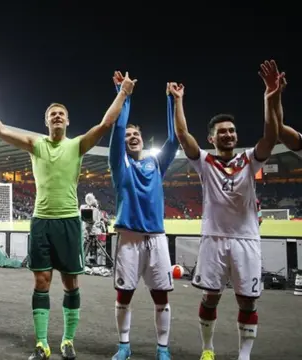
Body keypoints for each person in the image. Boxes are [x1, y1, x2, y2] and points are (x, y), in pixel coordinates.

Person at [0, 75, 129, 360]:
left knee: (71, 284)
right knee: (42, 283)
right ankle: (42, 343)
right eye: (52, 114)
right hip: (42, 221)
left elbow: (106, 123)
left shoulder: (77, 146)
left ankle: (68, 341)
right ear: (46, 121)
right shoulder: (36, 145)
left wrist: (122, 93)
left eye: (61, 114)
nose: (57, 117)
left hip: (69, 221)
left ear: (67, 121)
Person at [172, 60, 283, 360]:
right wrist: (178, 101)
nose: (229, 135)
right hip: (214, 237)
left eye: (232, 131)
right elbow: (183, 136)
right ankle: (208, 349)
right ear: (212, 138)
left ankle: (243, 356)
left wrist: (269, 97)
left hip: (246, 239)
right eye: (222, 132)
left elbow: (271, 136)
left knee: (247, 301)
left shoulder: (250, 159)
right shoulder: (205, 162)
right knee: (211, 297)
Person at [108, 72, 179, 360]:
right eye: (128, 136)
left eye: (136, 134)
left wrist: (171, 101)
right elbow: (117, 128)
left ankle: (163, 348)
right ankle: (124, 345)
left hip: (157, 238)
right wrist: (123, 94)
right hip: (128, 237)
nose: (132, 137)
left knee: (160, 296)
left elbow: (174, 140)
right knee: (124, 295)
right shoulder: (119, 164)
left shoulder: (155, 163)